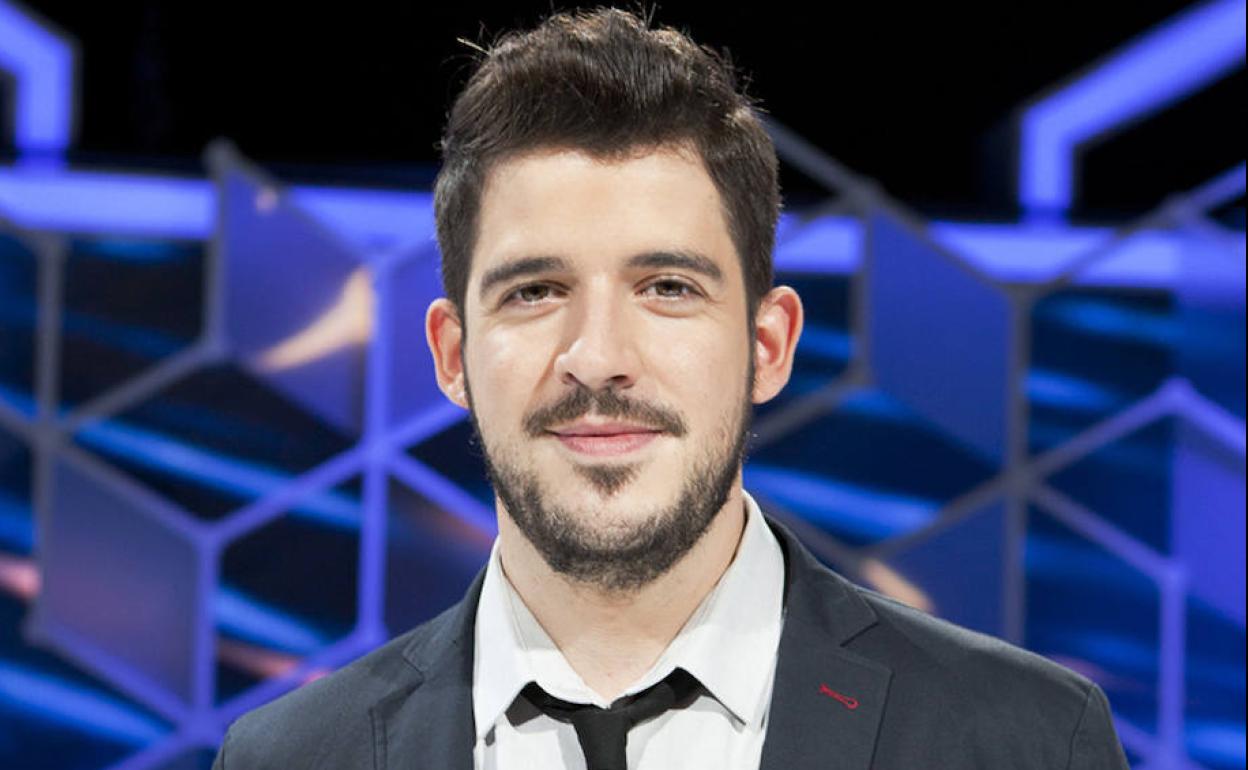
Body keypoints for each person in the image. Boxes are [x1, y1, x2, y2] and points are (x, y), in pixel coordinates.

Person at [212, 8, 1129, 769]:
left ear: (768, 345)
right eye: (535, 291)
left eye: (667, 288)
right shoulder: (289, 758)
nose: (598, 356)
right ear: (452, 356)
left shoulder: (1028, 741)